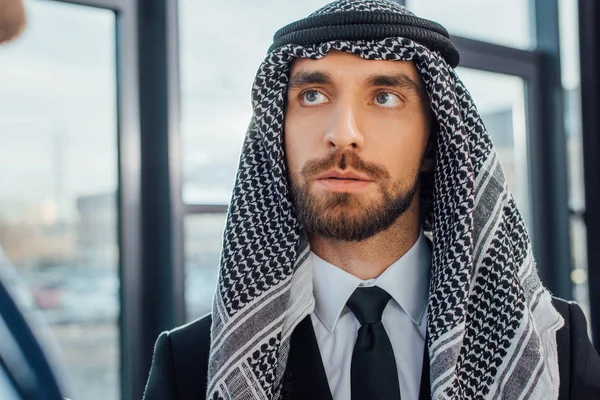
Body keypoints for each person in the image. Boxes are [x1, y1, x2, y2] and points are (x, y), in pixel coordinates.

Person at [144, 1, 600, 399]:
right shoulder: (190, 365)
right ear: (277, 134)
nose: (343, 133)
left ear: (433, 140)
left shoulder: (550, 344)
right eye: (312, 95)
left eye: (384, 97)